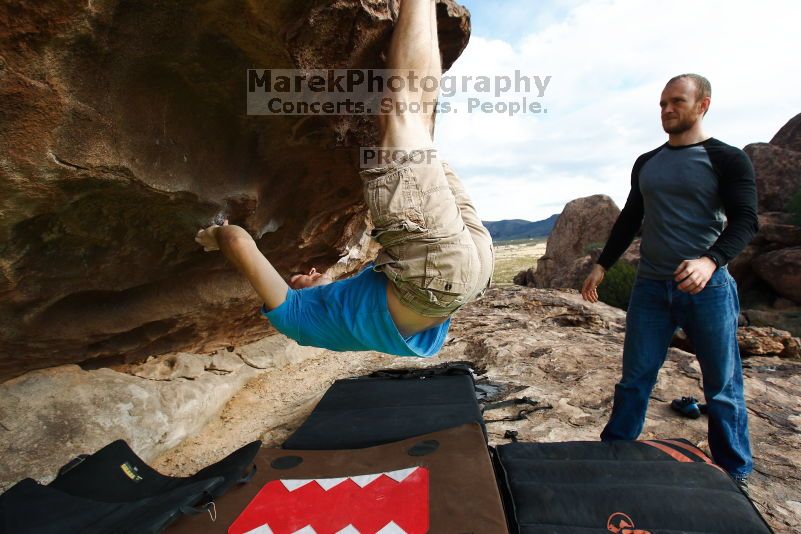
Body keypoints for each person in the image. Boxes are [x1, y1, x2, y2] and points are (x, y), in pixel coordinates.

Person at [195, 0, 493, 357]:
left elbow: (350, 307)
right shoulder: (294, 319)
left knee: (417, 132)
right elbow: (238, 243)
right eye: (296, 283)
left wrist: (323, 281)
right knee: (402, 107)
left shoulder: (340, 322)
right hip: (434, 276)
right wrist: (214, 235)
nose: (302, 276)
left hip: (468, 276)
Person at [581, 73, 758, 490]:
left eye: (676, 101)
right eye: (662, 103)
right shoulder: (647, 162)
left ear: (703, 105)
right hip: (650, 289)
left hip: (708, 290)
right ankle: (616, 452)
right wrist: (602, 264)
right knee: (635, 378)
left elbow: (746, 221)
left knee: (721, 386)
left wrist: (711, 262)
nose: (666, 110)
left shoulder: (727, 159)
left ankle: (735, 472)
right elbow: (630, 218)